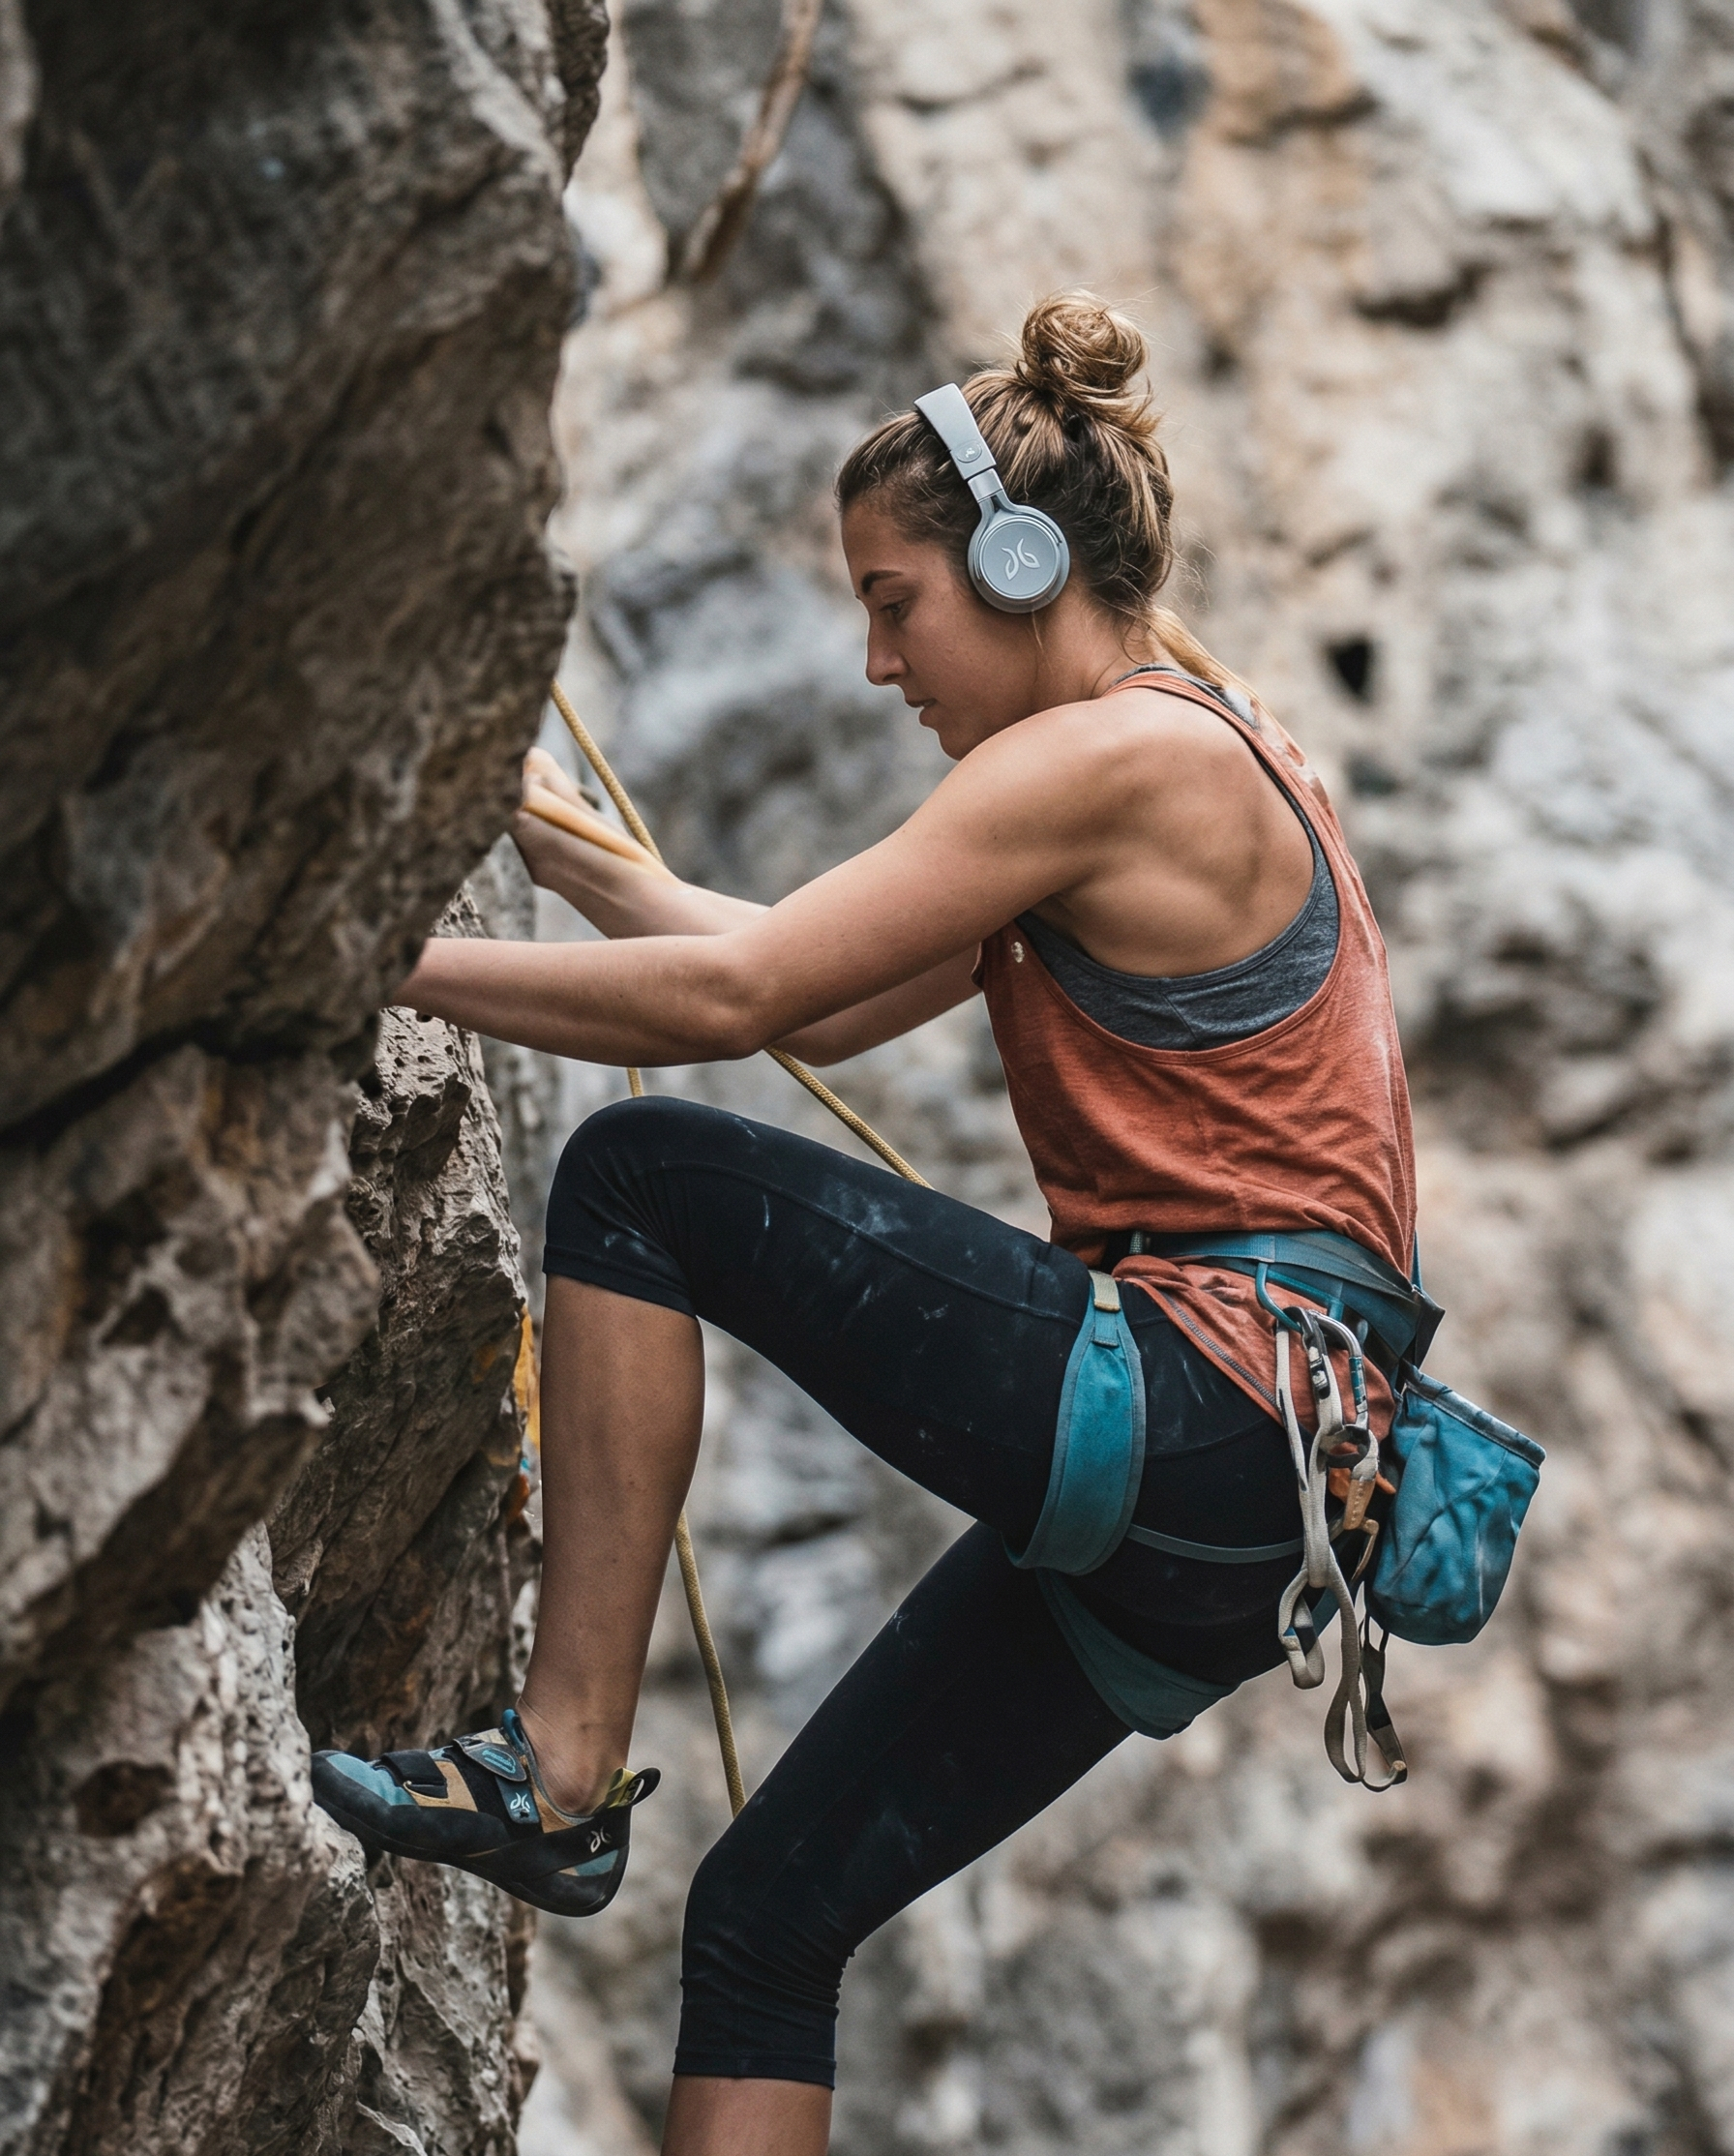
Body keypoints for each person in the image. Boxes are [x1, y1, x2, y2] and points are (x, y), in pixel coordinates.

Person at [313, 291, 1417, 2156]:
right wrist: (578, 852)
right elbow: (810, 1001)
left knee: (640, 1181)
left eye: (895, 601)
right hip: (1276, 1507)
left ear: (1017, 559)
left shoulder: (1114, 759)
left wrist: (367, 961)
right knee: (766, 1923)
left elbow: (738, 1006)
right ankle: (580, 1810)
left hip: (1213, 1399)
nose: (879, 662)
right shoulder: (1187, 753)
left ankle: (559, 1772)